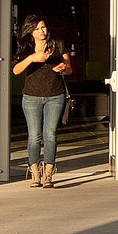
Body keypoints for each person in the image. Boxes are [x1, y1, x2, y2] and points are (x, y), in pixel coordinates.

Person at [12, 18, 71, 186]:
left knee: (50, 134)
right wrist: (32, 58)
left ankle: (48, 174)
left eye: (43, 27)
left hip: (55, 95)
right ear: (31, 31)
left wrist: (63, 69)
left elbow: (69, 67)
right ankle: (35, 173)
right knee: (34, 136)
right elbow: (16, 70)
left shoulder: (58, 45)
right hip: (31, 97)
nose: (41, 31)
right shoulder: (25, 48)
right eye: (37, 28)